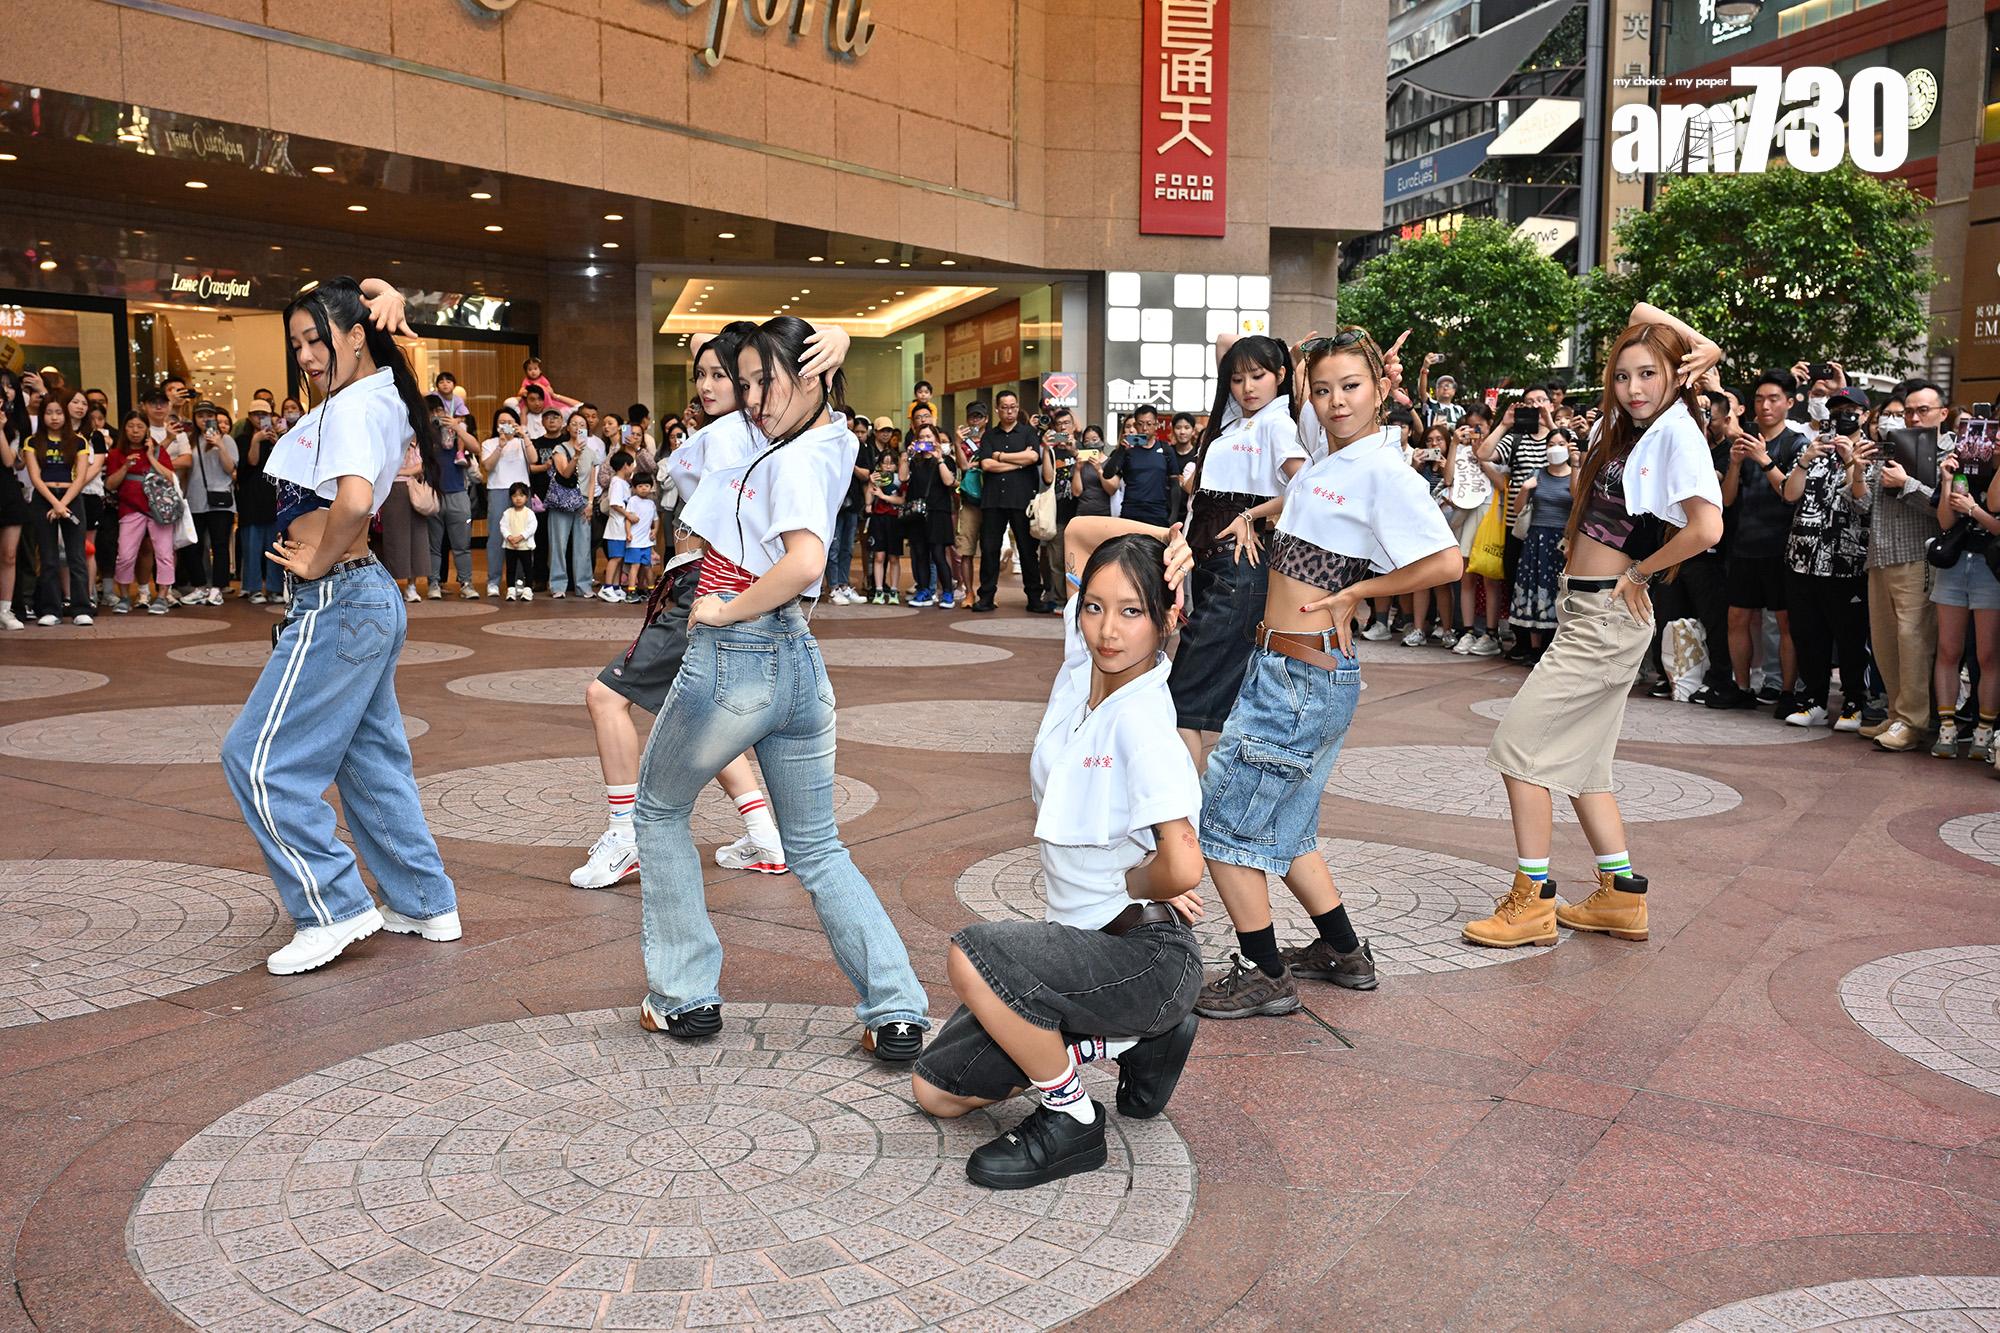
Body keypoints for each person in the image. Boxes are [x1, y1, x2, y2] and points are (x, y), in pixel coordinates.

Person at [631, 316, 928, 1059]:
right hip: (799, 664)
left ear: (814, 378)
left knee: (658, 808)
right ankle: (896, 1008)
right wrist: (835, 343)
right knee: (819, 848)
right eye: (750, 379)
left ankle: (684, 996)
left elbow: (804, 562)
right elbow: (823, 416)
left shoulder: (793, 458)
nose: (755, 397)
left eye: (770, 381)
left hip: (738, 653)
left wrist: (722, 609)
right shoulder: (830, 441)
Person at [912, 526, 1206, 1188]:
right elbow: (1076, 532)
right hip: (1076, 956)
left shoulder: (1142, 720)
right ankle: (1128, 1043)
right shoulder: (1085, 668)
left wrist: (1140, 881)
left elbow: (1183, 863)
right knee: (937, 1090)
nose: (1108, 628)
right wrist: (1168, 539)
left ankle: (1071, 1115)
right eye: (1095, 606)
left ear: (1168, 616)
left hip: (1139, 960)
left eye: (1133, 611)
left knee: (972, 956)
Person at [1191, 328, 1462, 1018]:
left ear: (1379, 390)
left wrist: (1355, 594)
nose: (1335, 400)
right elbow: (1306, 498)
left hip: (1300, 677)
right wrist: (1256, 511)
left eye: (1350, 386)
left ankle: (1264, 972)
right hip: (1292, 666)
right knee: (1288, 826)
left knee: (1220, 822)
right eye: (1322, 388)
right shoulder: (1329, 458)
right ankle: (1343, 950)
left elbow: (1446, 562)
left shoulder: (1383, 471)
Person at [220, 276, 460, 975]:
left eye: (316, 337)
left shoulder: (358, 401)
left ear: (354, 336)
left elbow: (355, 501)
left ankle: (331, 904)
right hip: (362, 600)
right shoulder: (375, 391)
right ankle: (422, 900)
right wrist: (382, 298)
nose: (305, 353)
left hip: (342, 602)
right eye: (296, 342)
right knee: (371, 761)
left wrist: (318, 562)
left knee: (257, 759)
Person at [1467, 306, 1725, 952]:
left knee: (1519, 749)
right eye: (1623, 375)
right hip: (1585, 610)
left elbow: (1707, 528)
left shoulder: (1675, 432)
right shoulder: (1630, 428)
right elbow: (1640, 312)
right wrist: (1686, 346)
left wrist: (1641, 572)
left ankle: (1533, 898)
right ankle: (1620, 895)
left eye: (1649, 374)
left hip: (1608, 619)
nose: (1633, 387)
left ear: (1675, 377)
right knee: (1586, 767)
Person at [572, 322, 837, 892]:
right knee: (700, 715)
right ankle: (763, 832)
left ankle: (625, 834)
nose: (710, 384)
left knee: (607, 697)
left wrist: (834, 342)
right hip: (728, 595)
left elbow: (805, 557)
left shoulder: (749, 434)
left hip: (710, 590)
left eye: (730, 376)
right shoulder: (771, 433)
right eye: (705, 375)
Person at [1167, 334, 1309, 767]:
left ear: (1280, 376)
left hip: (1240, 569)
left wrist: (1252, 516)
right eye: (1237, 378)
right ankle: (1196, 814)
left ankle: (1184, 820)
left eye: (1259, 376)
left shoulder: (1277, 421)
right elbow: (1225, 342)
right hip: (1212, 568)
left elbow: (1308, 488)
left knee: (1180, 701)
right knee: (1207, 701)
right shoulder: (1234, 420)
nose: (1247, 387)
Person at [1777, 387, 1873, 729]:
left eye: (1851, 410)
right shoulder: (1809, 448)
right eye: (1837, 410)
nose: (1843, 415)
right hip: (1802, 559)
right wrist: (1805, 460)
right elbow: (1789, 495)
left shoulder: (1871, 453)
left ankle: (1852, 703)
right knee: (1808, 635)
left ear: (1865, 415)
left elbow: (1863, 503)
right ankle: (1813, 700)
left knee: (1849, 638)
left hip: (1845, 563)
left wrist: (1850, 461)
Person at [1863, 382, 1950, 751]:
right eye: (1907, 411)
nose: (1914, 417)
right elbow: (1863, 501)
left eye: (1923, 411)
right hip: (1879, 555)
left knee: (1913, 641)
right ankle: (1898, 715)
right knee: (1885, 642)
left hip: (1918, 556)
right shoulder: (1889, 447)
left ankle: (1913, 722)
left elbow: (1946, 510)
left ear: (1943, 414)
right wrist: (1857, 467)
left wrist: (1906, 483)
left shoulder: (1950, 452)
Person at [1722, 373, 1807, 715]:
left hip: (1781, 546)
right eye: (1759, 399)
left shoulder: (1796, 443)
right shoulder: (1744, 441)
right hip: (1743, 544)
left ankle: (1786, 691)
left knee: (1785, 622)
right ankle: (1742, 687)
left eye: (1773, 398)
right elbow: (1727, 500)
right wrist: (1736, 463)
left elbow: (1791, 495)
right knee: (1737, 617)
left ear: (1789, 402)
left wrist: (1762, 458)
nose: (1765, 406)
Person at [1930, 445, 2000, 759]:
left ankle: (1984, 731)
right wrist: (1947, 481)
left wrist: (1974, 510)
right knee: (1947, 649)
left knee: (1987, 654)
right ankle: (1947, 727)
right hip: (1956, 562)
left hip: (1990, 566)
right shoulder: (1966, 463)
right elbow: (1946, 522)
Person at [972, 390, 1048, 613]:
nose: (1009, 411)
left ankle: (1034, 597)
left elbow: (1033, 457)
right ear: (997, 409)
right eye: (1005, 407)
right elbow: (986, 465)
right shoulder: (989, 436)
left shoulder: (1028, 432)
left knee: (1027, 550)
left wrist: (1001, 457)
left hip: (1021, 498)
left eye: (1013, 406)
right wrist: (1019, 462)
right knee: (989, 549)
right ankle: (986, 597)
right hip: (994, 499)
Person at [1506, 425, 1578, 660]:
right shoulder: (1536, 473)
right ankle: (1530, 646)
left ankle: (1551, 647)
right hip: (1535, 539)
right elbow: (1517, 510)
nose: (1554, 449)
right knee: (1532, 589)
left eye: (1560, 444)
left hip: (1561, 542)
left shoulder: (1576, 475)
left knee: (1556, 591)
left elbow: (1578, 505)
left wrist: (1577, 466)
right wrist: (1525, 490)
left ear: (1570, 447)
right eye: (1550, 444)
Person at [23, 393, 96, 625]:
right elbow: (35, 477)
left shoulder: (79, 441)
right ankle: (50, 610)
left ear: (65, 414)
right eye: (49, 412)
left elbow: (81, 476)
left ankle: (81, 608)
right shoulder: (32, 442)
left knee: (77, 556)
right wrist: (55, 504)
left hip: (71, 498)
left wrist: (63, 504)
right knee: (48, 558)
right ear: (42, 415)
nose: (54, 418)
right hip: (44, 499)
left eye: (58, 412)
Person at [106, 411, 178, 615]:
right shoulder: (116, 454)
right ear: (124, 429)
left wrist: (150, 457)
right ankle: (125, 596)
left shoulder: (157, 451)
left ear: (146, 428)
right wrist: (125, 466)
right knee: (125, 555)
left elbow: (171, 478)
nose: (135, 431)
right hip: (130, 509)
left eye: (139, 426)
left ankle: (162, 597)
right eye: (130, 426)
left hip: (159, 511)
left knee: (164, 555)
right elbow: (110, 484)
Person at [182, 402, 237, 606]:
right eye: (200, 415)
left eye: (208, 415)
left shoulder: (226, 439)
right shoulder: (190, 441)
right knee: (193, 546)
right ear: (195, 419)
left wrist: (219, 444)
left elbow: (230, 467)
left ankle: (217, 588)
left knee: (220, 545)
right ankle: (199, 587)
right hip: (195, 500)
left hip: (220, 501)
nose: (205, 419)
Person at [380, 411, 436, 603]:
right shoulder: (391, 443)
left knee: (418, 539)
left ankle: (412, 585)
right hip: (394, 491)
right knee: (395, 540)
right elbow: (386, 466)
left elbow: (425, 466)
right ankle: (393, 585)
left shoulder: (421, 444)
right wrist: (409, 470)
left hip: (416, 493)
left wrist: (407, 470)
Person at [426, 397, 479, 598]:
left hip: (458, 493)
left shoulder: (455, 432)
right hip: (433, 494)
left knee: (462, 544)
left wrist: (457, 427)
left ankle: (466, 583)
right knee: (434, 545)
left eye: (440, 411)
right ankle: (433, 584)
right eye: (432, 412)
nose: (437, 416)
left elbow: (475, 448)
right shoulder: (423, 432)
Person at [902, 422, 957, 607]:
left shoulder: (945, 459)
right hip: (917, 513)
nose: (925, 440)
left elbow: (949, 481)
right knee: (920, 553)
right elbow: (902, 478)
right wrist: (906, 457)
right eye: (922, 437)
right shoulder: (915, 460)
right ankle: (924, 590)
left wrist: (939, 458)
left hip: (938, 512)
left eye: (929, 437)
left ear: (936, 438)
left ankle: (947, 592)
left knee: (938, 554)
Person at [235, 403, 283, 605]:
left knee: (273, 549)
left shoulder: (277, 439)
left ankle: (274, 588)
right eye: (256, 414)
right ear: (249, 416)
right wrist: (256, 440)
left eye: (264, 414)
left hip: (272, 500)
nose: (260, 418)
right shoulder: (243, 439)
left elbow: (281, 467)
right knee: (252, 548)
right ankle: (253, 588)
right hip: (250, 501)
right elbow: (251, 463)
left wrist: (277, 442)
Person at [480, 407, 530, 597]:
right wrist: (500, 445)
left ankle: (518, 580)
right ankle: (493, 580)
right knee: (496, 537)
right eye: (501, 422)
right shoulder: (489, 443)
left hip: (521, 490)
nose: (505, 426)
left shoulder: (522, 442)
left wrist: (523, 436)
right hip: (498, 490)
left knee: (521, 537)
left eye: (510, 422)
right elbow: (487, 466)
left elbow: (533, 461)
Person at [545, 411, 594, 598]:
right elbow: (565, 473)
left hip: (582, 502)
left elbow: (592, 480)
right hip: (562, 502)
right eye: (574, 423)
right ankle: (558, 586)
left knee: (583, 545)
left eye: (582, 424)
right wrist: (576, 455)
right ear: (568, 428)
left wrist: (590, 503)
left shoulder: (591, 452)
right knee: (559, 544)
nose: (578, 427)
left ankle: (584, 585)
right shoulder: (560, 448)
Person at [1105, 404, 1174, 527]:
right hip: (1131, 510)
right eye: (1140, 424)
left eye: (1149, 424)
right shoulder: (1127, 449)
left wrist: (1173, 515)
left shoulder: (1165, 449)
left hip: (1158, 511)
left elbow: (1175, 485)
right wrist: (1121, 449)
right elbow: (1107, 474)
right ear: (1136, 425)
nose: (1145, 428)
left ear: (1156, 425)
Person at [950, 401, 987, 597]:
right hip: (970, 502)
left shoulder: (992, 439)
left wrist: (978, 463)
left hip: (990, 501)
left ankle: (987, 593)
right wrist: (957, 442)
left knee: (989, 551)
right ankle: (969, 592)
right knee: (966, 549)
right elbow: (964, 466)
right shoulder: (963, 443)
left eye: (979, 417)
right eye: (972, 416)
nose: (975, 420)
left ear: (986, 419)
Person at [0, 385, 28, 630]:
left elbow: (9, 461)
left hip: (7, 491)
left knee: (9, 554)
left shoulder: (12, 429)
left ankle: (6, 610)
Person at [866, 435, 904, 603]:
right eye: (885, 463)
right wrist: (870, 483)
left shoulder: (900, 479)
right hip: (878, 519)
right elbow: (868, 502)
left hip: (895, 520)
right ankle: (879, 591)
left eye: (891, 463)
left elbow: (902, 500)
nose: (888, 466)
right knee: (879, 557)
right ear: (879, 464)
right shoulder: (877, 477)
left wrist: (883, 496)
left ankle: (894, 591)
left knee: (894, 557)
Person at [598, 449, 637, 602]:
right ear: (625, 466)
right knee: (615, 558)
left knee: (620, 558)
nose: (633, 468)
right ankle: (607, 587)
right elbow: (615, 504)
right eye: (632, 465)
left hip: (621, 528)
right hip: (615, 528)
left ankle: (615, 587)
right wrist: (628, 515)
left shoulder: (623, 483)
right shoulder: (616, 482)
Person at [621, 476, 658, 600]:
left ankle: (650, 590)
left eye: (646, 486)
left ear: (651, 488)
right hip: (635, 542)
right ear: (635, 488)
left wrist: (655, 530)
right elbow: (628, 519)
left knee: (647, 566)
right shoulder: (633, 501)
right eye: (640, 486)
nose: (643, 489)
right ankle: (631, 591)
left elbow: (656, 520)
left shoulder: (651, 503)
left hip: (646, 542)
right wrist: (628, 533)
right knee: (635, 566)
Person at [500, 481, 537, 600]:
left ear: (527, 497)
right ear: (511, 498)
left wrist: (521, 537)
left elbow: (532, 527)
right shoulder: (507, 513)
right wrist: (509, 537)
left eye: (521, 495)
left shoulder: (529, 513)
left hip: (525, 546)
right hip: (510, 546)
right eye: (515, 496)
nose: (518, 499)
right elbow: (503, 526)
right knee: (510, 568)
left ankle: (528, 590)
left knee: (528, 568)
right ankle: (510, 590)